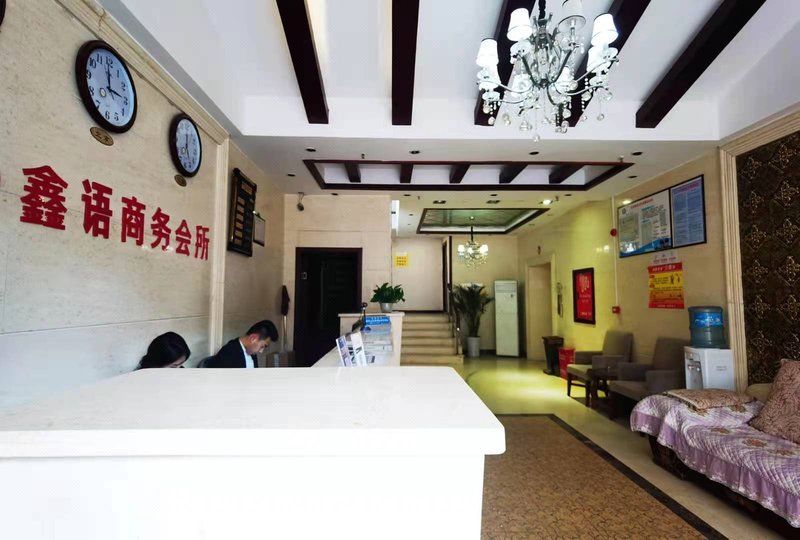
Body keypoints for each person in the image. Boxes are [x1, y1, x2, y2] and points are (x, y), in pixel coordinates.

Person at [205, 320, 278, 368]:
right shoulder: (229, 352)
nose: (261, 351)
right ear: (253, 338)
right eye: (262, 346)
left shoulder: (252, 352)